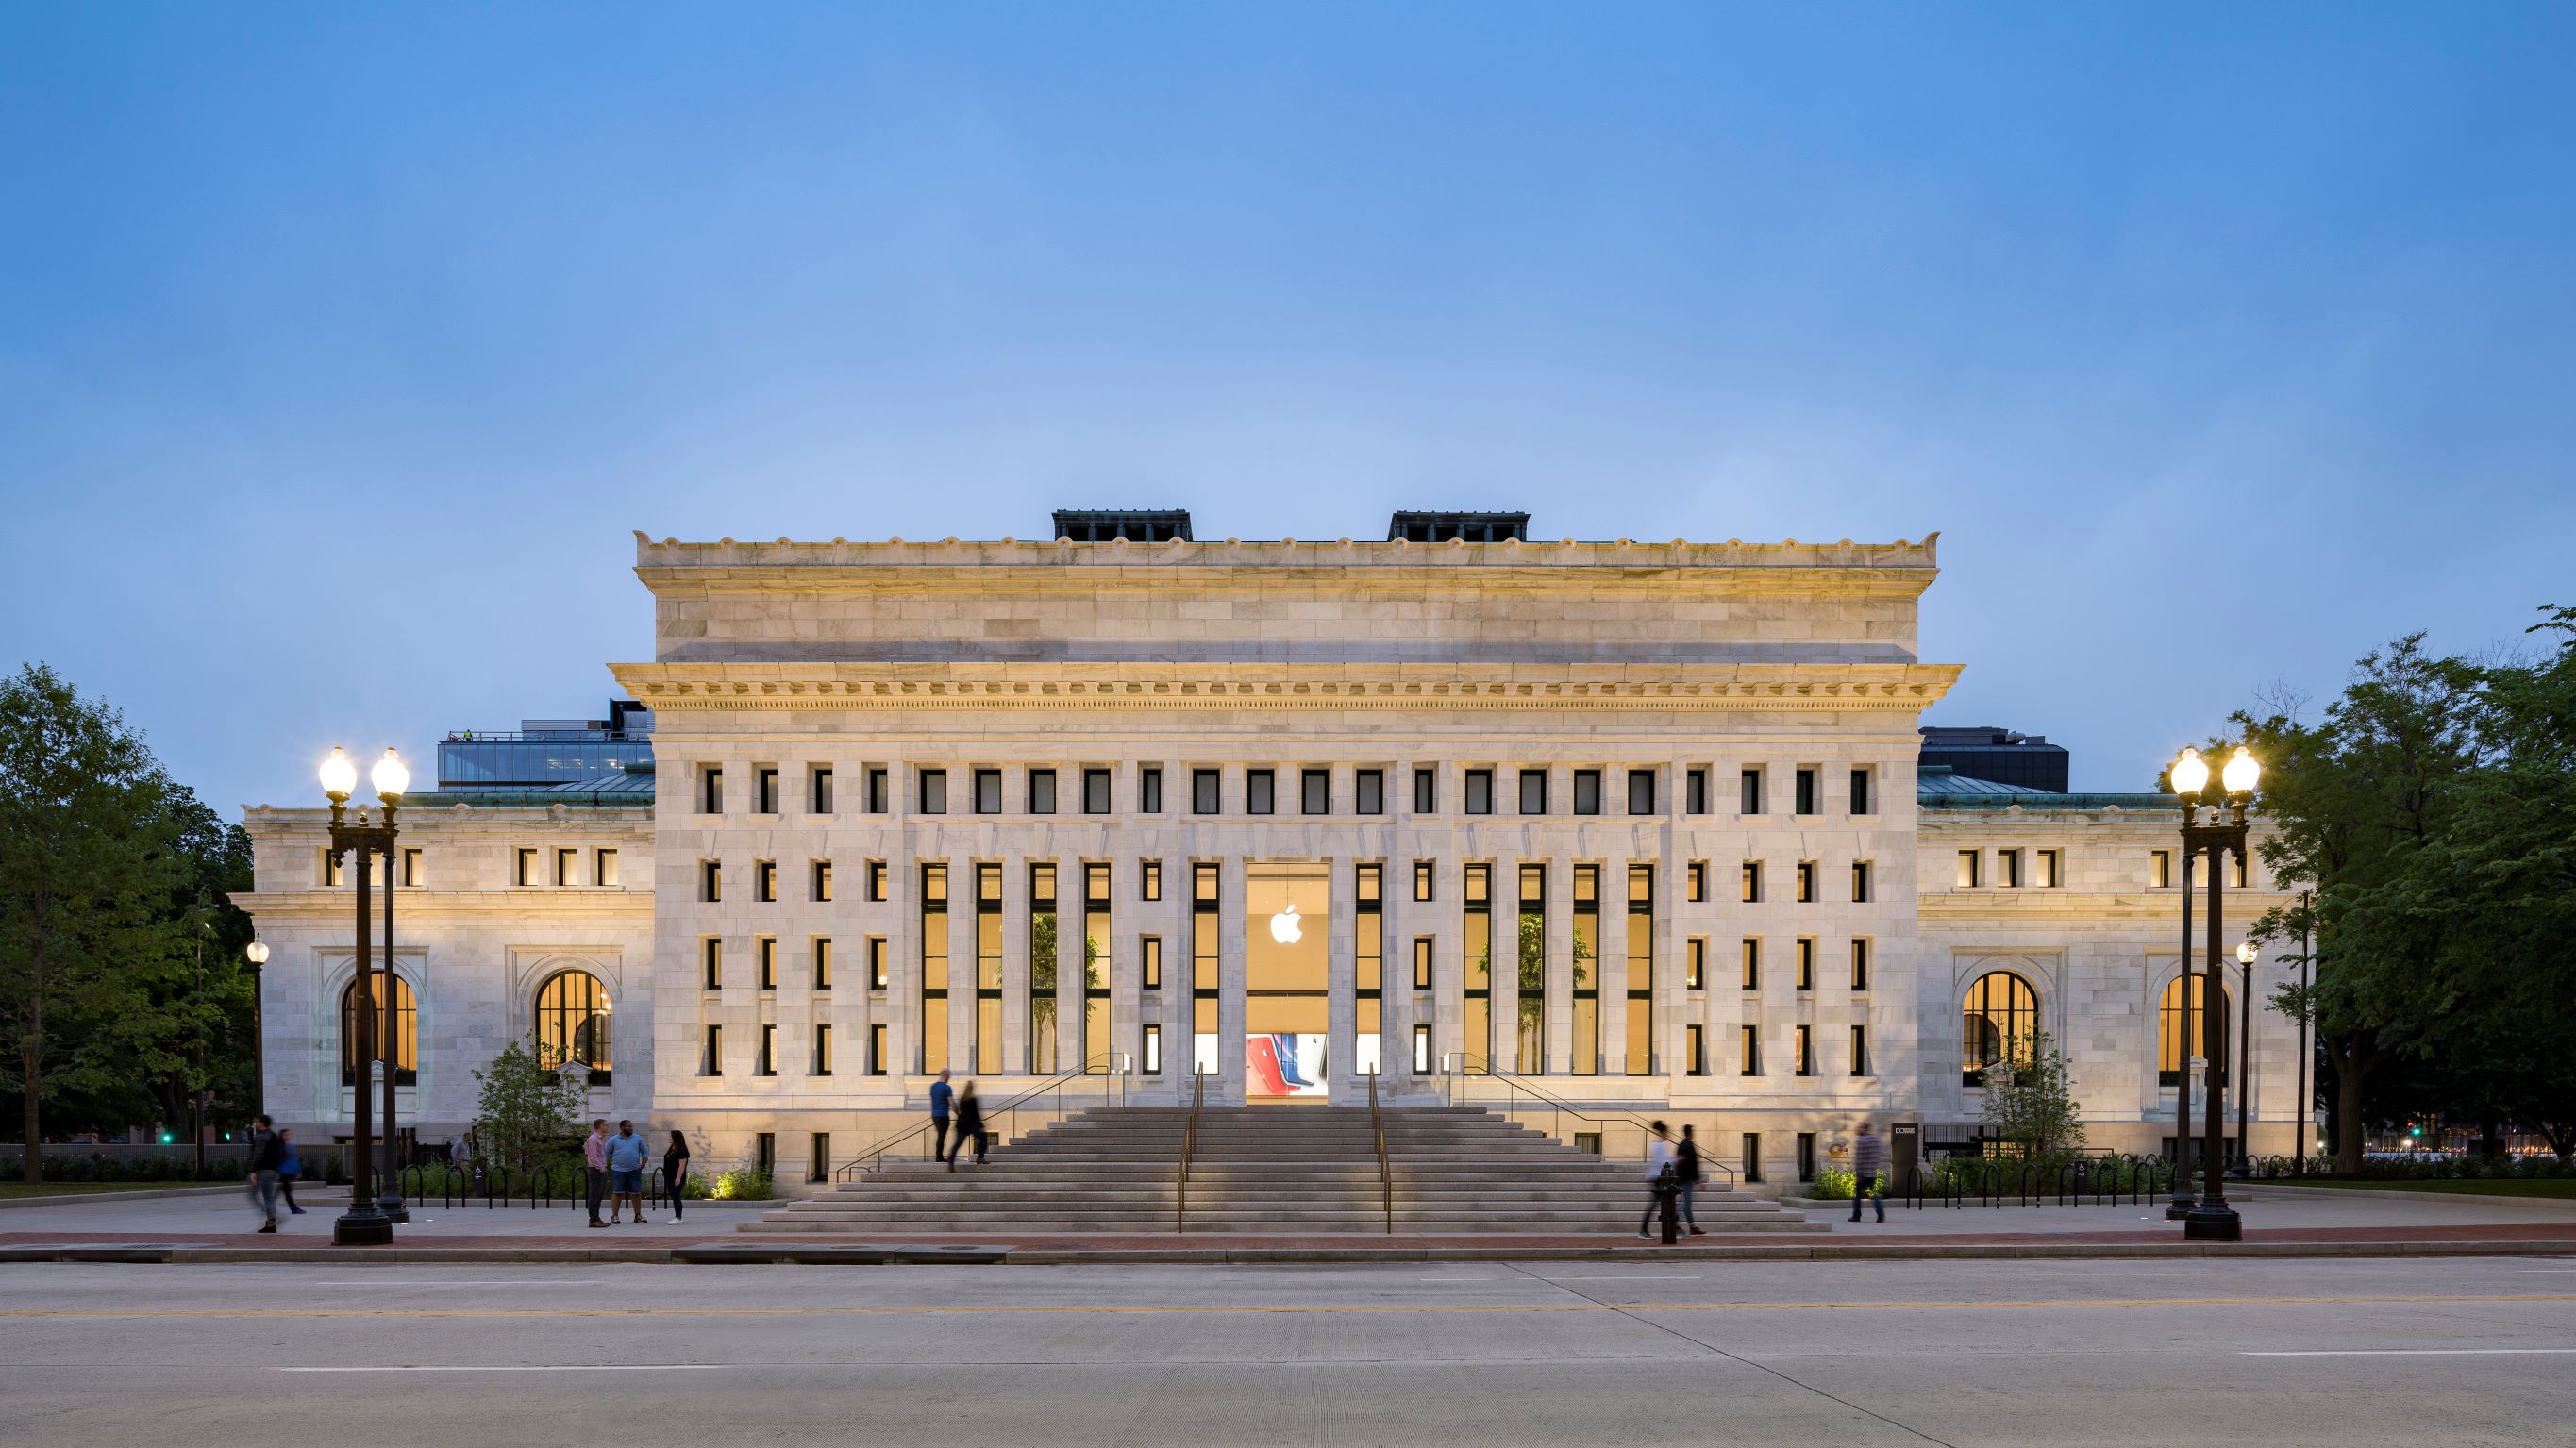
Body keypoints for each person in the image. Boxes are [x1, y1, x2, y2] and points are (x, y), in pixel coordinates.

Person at [605, 1119, 652, 1224]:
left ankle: (637, 1215)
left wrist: (643, 1164)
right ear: (622, 1127)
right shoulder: (613, 1140)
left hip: (634, 1170)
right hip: (617, 1171)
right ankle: (615, 1216)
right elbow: (607, 1153)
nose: (631, 1128)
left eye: (631, 1126)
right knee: (617, 1193)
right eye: (628, 1126)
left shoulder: (638, 1138)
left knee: (636, 1193)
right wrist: (618, 1160)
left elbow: (645, 1153)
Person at [245, 1114, 284, 1233]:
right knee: (269, 1198)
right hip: (273, 1171)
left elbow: (258, 1155)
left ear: (262, 1123)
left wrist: (253, 1170)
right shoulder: (273, 1135)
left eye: (257, 1121)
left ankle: (273, 1217)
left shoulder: (261, 1137)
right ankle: (271, 1225)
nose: (255, 1123)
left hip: (262, 1170)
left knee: (252, 1195)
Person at [1637, 1120, 1676, 1239]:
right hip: (1656, 1178)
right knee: (1654, 1204)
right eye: (1668, 1133)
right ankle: (1643, 1230)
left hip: (1657, 1177)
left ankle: (1644, 1229)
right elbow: (1663, 1161)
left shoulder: (1658, 1145)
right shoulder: (1660, 1145)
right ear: (1663, 1133)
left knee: (1657, 1203)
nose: (1669, 1135)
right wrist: (1678, 1160)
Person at [1848, 1121, 1886, 1223]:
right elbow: (1878, 1156)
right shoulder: (1876, 1140)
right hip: (1872, 1173)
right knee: (1873, 1194)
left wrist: (1858, 1173)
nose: (1857, 1129)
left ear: (1864, 1129)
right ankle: (1880, 1212)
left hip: (1863, 1173)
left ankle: (1856, 1216)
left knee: (1857, 1195)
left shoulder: (1861, 1140)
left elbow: (1859, 1159)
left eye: (1859, 1127)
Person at [1674, 1124, 1706, 1236]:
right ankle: (1673, 1218)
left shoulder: (1682, 1145)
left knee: (1687, 1203)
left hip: (1683, 1178)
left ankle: (1692, 1226)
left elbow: (1679, 1162)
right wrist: (1698, 1179)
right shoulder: (1688, 1145)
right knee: (1686, 1203)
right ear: (1690, 1132)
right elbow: (1693, 1164)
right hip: (1686, 1179)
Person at [583, 1118, 611, 1228]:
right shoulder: (593, 1139)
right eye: (606, 1125)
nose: (607, 1127)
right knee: (595, 1195)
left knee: (598, 1195)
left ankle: (596, 1217)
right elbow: (593, 1157)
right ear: (600, 1126)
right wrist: (601, 1168)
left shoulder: (600, 1138)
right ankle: (593, 1219)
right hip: (596, 1170)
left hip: (600, 1170)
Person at [955, 1081, 987, 1167]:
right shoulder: (973, 1099)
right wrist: (981, 1125)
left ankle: (951, 1161)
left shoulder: (962, 1099)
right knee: (984, 1138)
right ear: (972, 1088)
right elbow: (976, 1113)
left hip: (962, 1124)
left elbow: (960, 1111)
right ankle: (980, 1158)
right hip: (971, 1124)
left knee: (958, 1143)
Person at [276, 1128, 307, 1216]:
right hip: (284, 1172)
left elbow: (294, 1160)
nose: (288, 1136)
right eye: (286, 1134)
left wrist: (298, 1171)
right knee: (287, 1190)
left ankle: (268, 1205)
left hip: (289, 1172)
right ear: (282, 1135)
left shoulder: (289, 1146)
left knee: (284, 1190)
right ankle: (293, 1208)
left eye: (289, 1134)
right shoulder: (280, 1146)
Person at [663, 1130, 692, 1223]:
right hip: (669, 1176)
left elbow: (682, 1165)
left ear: (676, 1138)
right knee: (673, 1196)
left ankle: (678, 1217)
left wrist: (678, 1178)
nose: (669, 1138)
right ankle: (678, 1216)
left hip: (676, 1177)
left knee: (676, 1196)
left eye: (671, 1136)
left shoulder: (682, 1150)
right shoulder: (672, 1148)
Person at [929, 1069, 955, 1168]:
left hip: (935, 1115)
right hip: (943, 1115)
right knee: (941, 1136)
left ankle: (939, 1156)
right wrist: (958, 1113)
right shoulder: (947, 1087)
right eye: (949, 1076)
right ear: (946, 1075)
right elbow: (951, 1102)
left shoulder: (933, 1087)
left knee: (940, 1136)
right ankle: (939, 1157)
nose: (949, 1078)